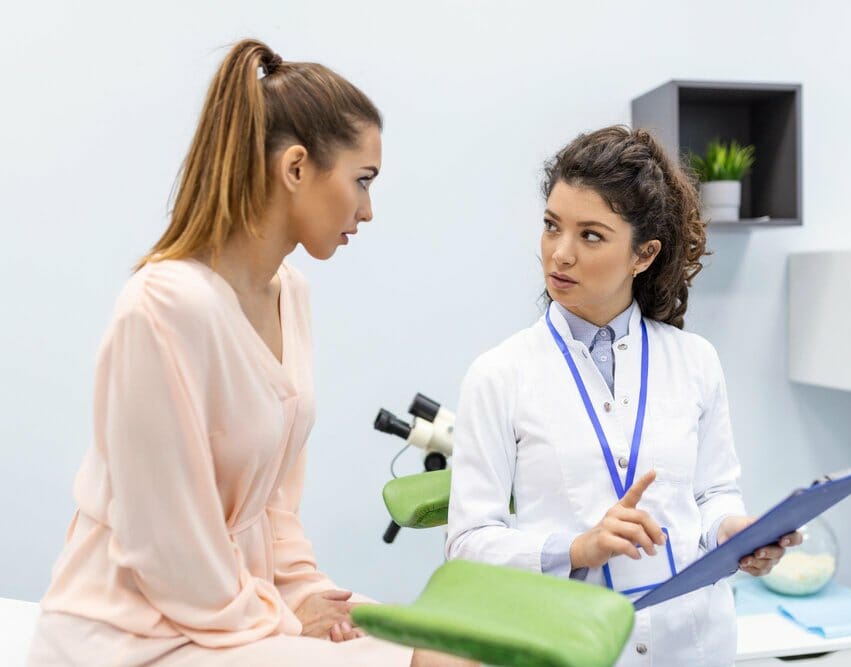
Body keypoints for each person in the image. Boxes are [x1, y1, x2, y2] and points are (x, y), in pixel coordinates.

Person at [28, 39, 472, 667]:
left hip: (239, 611)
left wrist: (313, 593)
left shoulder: (291, 294)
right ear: (295, 168)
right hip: (135, 632)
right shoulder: (163, 307)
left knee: (447, 648)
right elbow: (167, 546)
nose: (368, 211)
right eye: (361, 182)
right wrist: (283, 617)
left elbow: (271, 505)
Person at [445, 126, 801, 666]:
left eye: (591, 235)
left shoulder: (695, 361)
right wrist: (576, 548)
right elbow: (468, 542)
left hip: (694, 645)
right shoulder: (500, 375)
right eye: (551, 227)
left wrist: (736, 533)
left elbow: (713, 495)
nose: (559, 254)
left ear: (643, 254)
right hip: (572, 645)